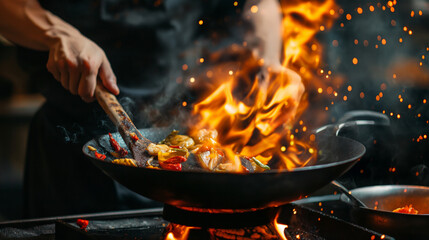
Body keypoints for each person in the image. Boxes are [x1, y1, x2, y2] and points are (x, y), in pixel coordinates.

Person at [0, 0, 300, 218]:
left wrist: (270, 62)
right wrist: (57, 34)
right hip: (75, 154)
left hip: (191, 159)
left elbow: (258, 4)